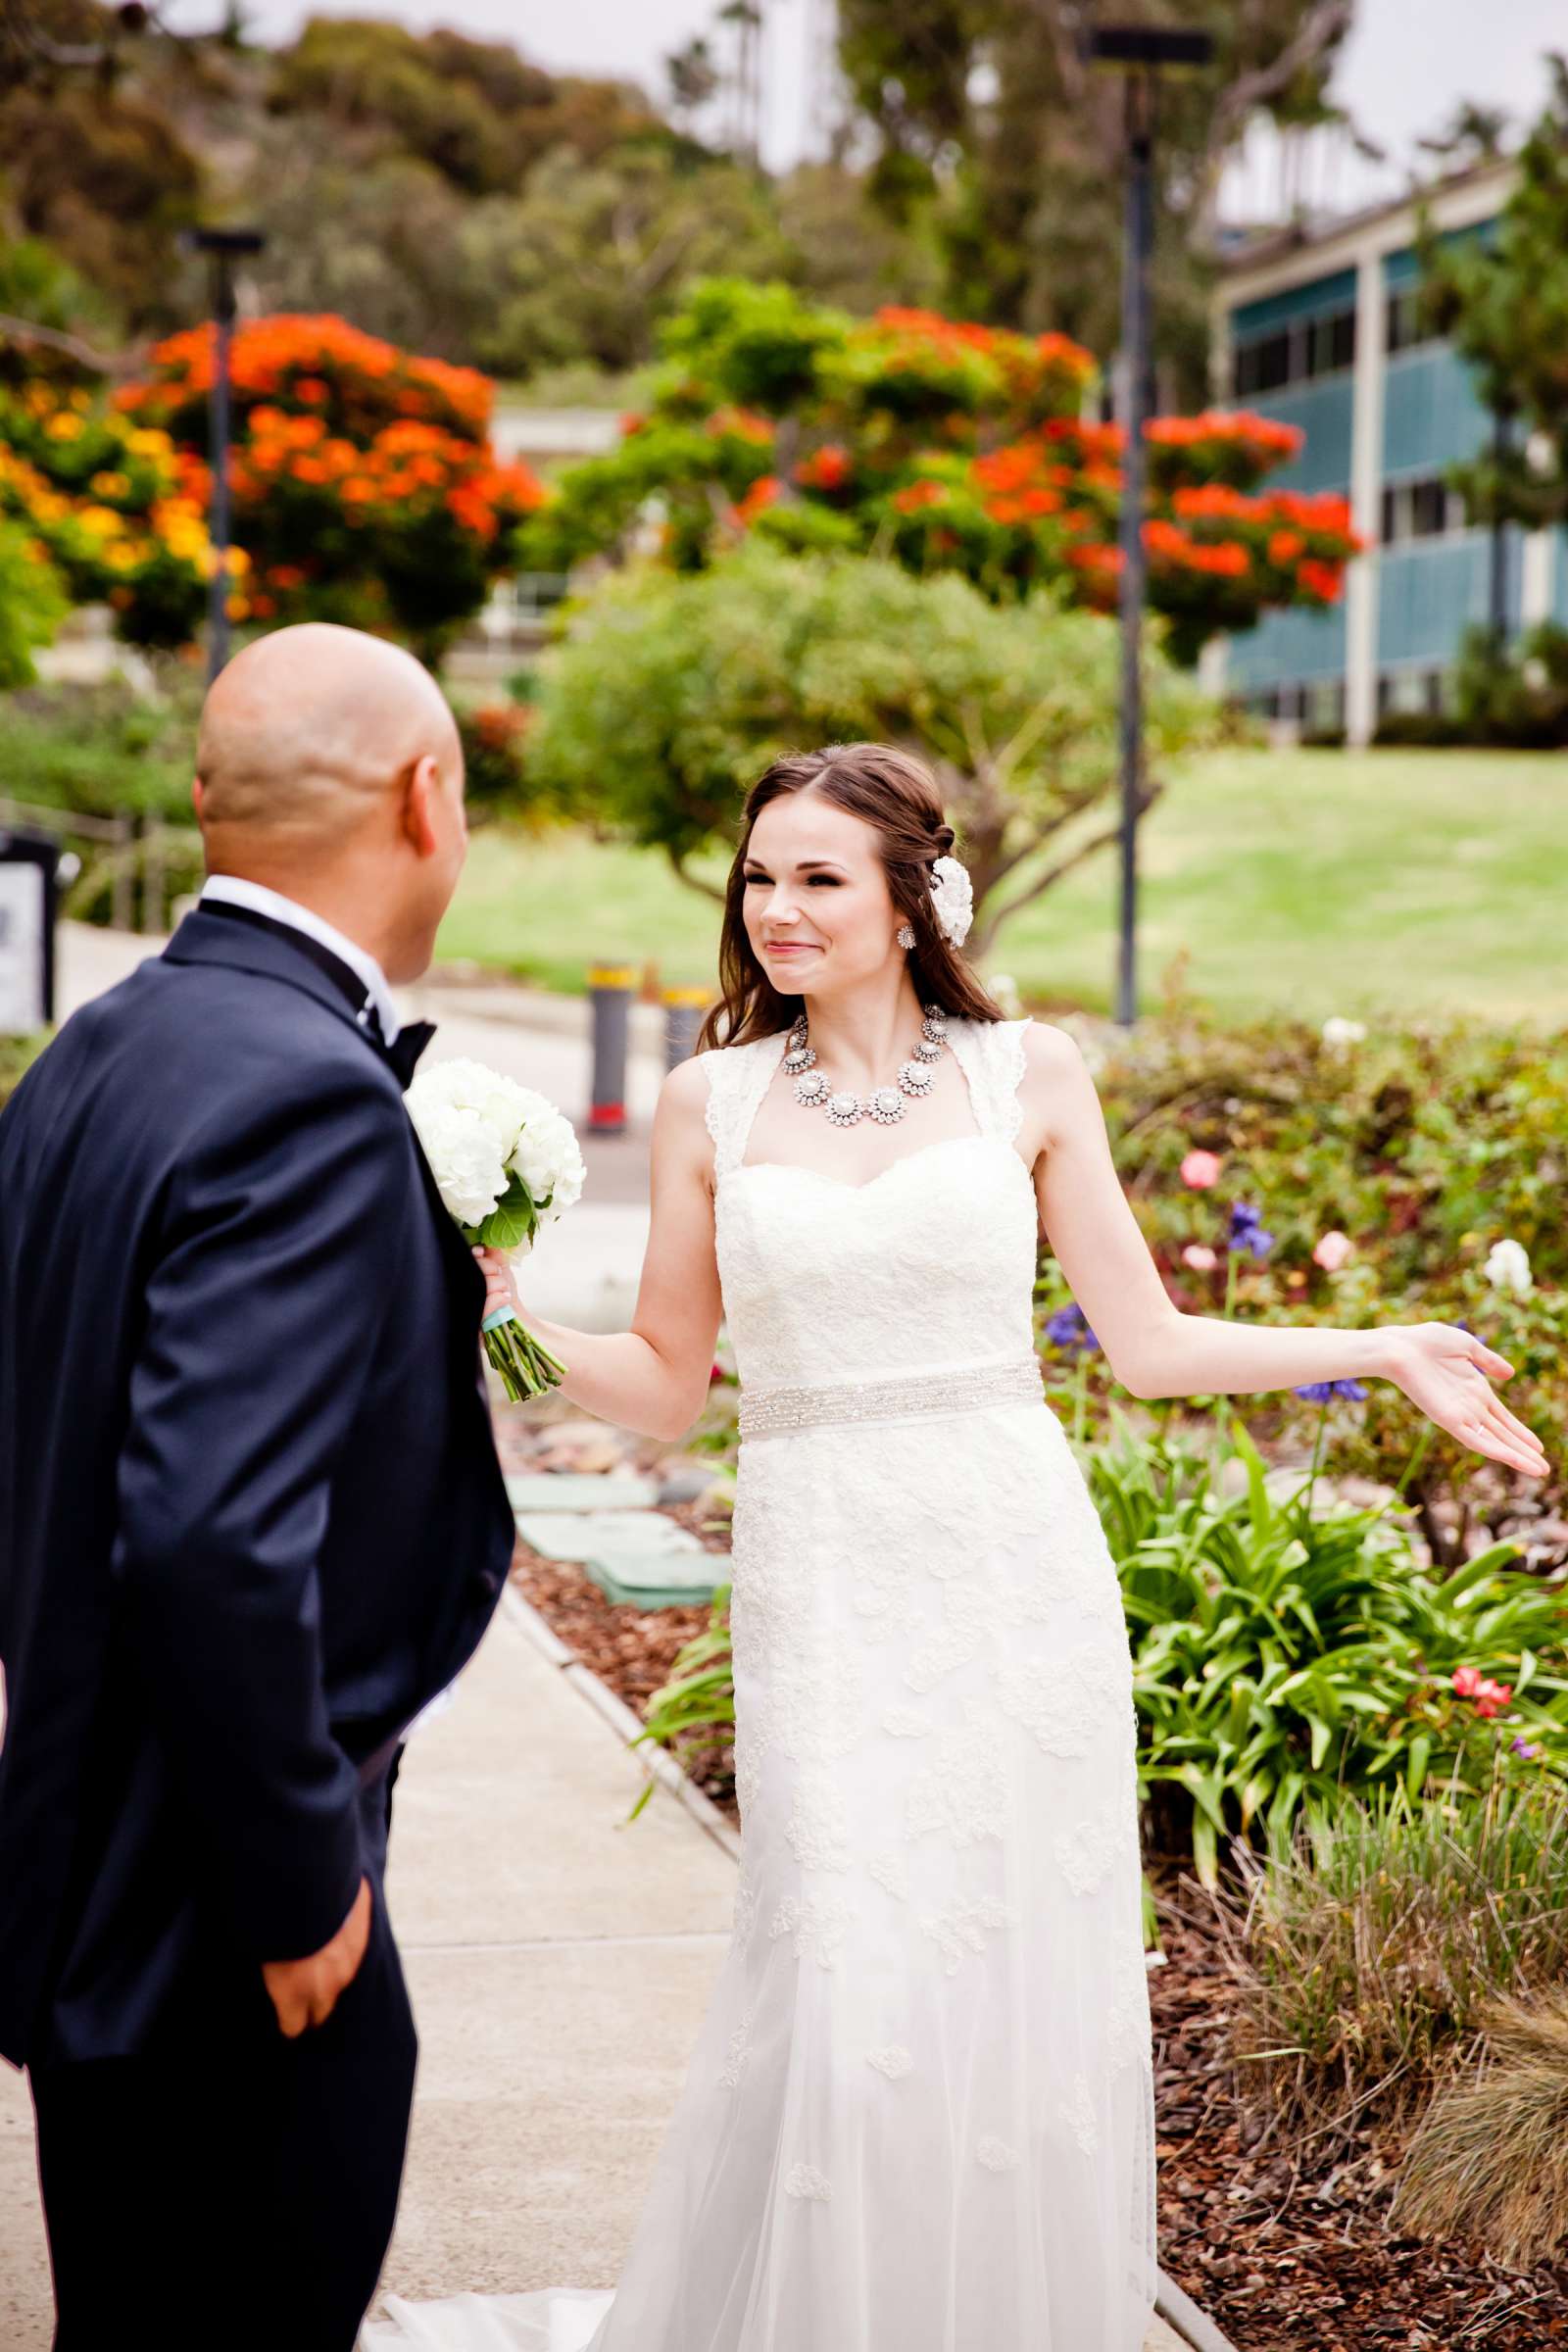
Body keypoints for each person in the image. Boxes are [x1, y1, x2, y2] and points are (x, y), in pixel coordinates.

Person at [367, 742, 1546, 2352]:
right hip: (825, 1585)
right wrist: (504, 1316)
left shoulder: (1028, 1075)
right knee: (848, 1988)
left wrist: (1384, 1340)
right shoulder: (713, 1097)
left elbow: (1146, 1343)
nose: (777, 909)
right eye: (760, 877)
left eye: (819, 877)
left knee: (999, 1987)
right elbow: (661, 1379)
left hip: (1010, 1573)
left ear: (914, 897)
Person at [0, 623, 516, 2351]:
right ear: (424, 796)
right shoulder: (310, 1094)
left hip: (90, 1882)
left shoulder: (101, 1045)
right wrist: (302, 1884)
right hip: (220, 1923)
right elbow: (214, 1537)